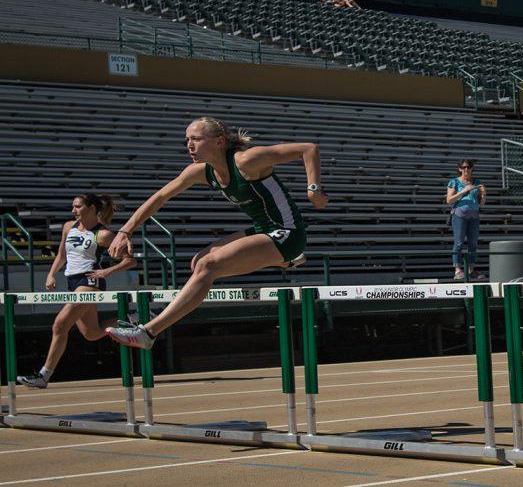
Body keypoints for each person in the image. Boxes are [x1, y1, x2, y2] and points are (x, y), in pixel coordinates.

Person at [104, 117, 327, 349]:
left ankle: (148, 332)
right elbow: (160, 197)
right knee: (197, 262)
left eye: (196, 139)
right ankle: (286, 262)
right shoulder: (202, 172)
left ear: (220, 142)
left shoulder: (247, 160)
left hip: (287, 233)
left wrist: (313, 189)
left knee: (207, 266)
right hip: (263, 229)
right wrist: (125, 230)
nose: (189, 145)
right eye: (187, 140)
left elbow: (308, 149)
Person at [16, 194, 137, 388]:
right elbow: (62, 254)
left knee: (59, 325)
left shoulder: (103, 234)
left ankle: (43, 376)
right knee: (92, 333)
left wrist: (107, 271)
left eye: (78, 207)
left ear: (91, 209)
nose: (73, 210)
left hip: (89, 281)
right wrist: (51, 274)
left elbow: (130, 260)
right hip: (72, 281)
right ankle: (133, 318)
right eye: (73, 207)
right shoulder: (68, 227)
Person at [446, 158, 486, 280]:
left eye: (468, 167)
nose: (466, 169)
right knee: (458, 242)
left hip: (474, 215)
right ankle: (457, 269)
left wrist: (484, 194)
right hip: (459, 215)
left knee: (473, 243)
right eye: (464, 167)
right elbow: (449, 200)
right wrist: (463, 191)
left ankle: (471, 269)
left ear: (472, 169)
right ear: (460, 169)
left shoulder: (477, 182)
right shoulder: (454, 182)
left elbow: (482, 204)